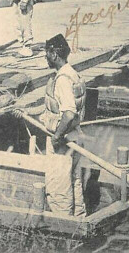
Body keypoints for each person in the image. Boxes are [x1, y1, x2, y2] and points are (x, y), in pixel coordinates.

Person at [39, 33, 86, 217]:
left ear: (54, 55)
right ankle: (78, 219)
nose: (45, 58)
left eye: (46, 54)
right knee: (75, 182)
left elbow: (68, 113)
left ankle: (61, 226)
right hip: (76, 135)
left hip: (63, 139)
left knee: (58, 187)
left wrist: (57, 136)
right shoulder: (73, 73)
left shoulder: (62, 80)